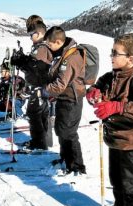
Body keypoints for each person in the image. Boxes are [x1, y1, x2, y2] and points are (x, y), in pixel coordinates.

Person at [86, 33, 133, 206]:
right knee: (116, 180)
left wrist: (116, 106)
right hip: (114, 138)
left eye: (116, 53)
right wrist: (93, 93)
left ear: (131, 58)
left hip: (132, 141)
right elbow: (97, 87)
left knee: (132, 186)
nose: (111, 56)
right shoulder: (111, 75)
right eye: (111, 52)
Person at [43, 26, 86, 175]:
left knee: (69, 133)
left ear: (59, 41)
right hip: (64, 98)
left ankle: (77, 167)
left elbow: (60, 84)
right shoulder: (62, 53)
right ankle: (65, 158)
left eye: (50, 44)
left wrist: (46, 89)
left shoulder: (71, 57)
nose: (49, 47)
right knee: (61, 130)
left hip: (72, 100)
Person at [24, 18, 53, 150]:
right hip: (43, 87)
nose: (30, 37)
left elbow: (37, 69)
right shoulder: (42, 46)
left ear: (40, 34)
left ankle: (39, 143)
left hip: (40, 87)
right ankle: (45, 142)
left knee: (34, 113)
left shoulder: (41, 48)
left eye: (32, 34)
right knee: (42, 114)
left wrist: (24, 64)